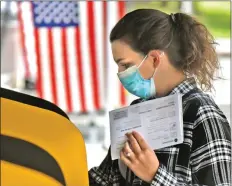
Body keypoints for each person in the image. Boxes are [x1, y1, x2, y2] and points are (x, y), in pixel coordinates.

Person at [88, 9, 231, 186]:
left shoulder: (202, 115)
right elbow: (103, 179)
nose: (120, 74)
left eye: (125, 65)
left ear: (155, 59)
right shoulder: (135, 110)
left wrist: (155, 175)